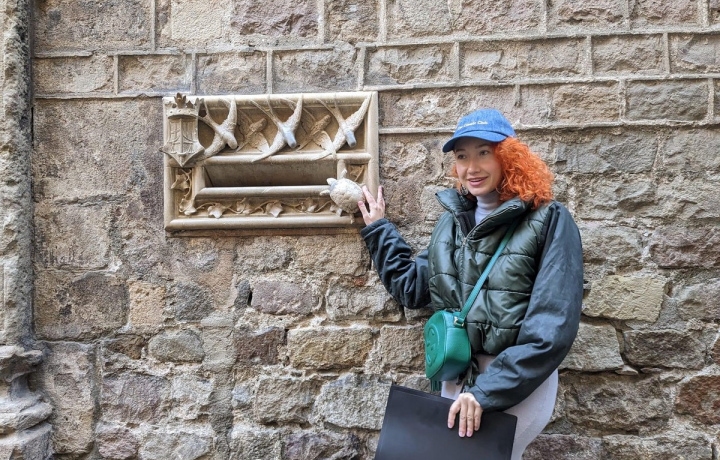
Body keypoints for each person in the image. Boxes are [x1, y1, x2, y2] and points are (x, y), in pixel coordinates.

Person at [358, 108, 583, 460]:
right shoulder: (451, 223)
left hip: (515, 383)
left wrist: (486, 392)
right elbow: (412, 288)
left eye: (484, 153)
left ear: (509, 157)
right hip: (457, 377)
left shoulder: (548, 219)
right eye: (462, 156)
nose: (472, 167)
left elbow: (551, 327)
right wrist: (379, 230)